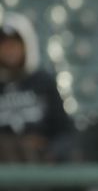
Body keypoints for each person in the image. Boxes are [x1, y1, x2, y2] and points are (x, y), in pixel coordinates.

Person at [0, 13, 77, 163]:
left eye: (15, 44)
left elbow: (64, 131)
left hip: (41, 162)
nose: (9, 50)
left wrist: (51, 153)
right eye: (4, 45)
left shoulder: (43, 82)